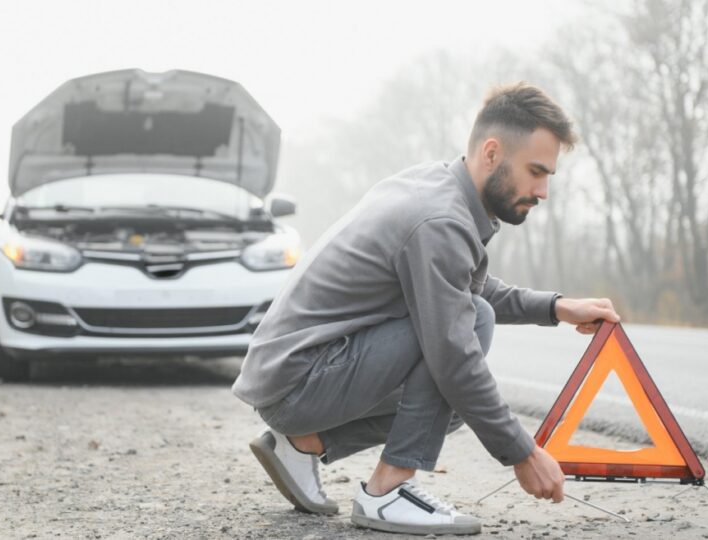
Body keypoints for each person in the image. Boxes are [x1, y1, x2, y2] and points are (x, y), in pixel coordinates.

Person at [232, 82, 620, 536]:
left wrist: (556, 307)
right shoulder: (440, 220)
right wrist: (523, 453)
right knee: (468, 335)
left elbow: (459, 288)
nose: (544, 190)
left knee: (460, 367)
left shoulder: (435, 186)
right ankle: (387, 492)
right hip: (298, 380)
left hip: (293, 376)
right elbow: (454, 346)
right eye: (536, 171)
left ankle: (306, 444)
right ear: (492, 153)